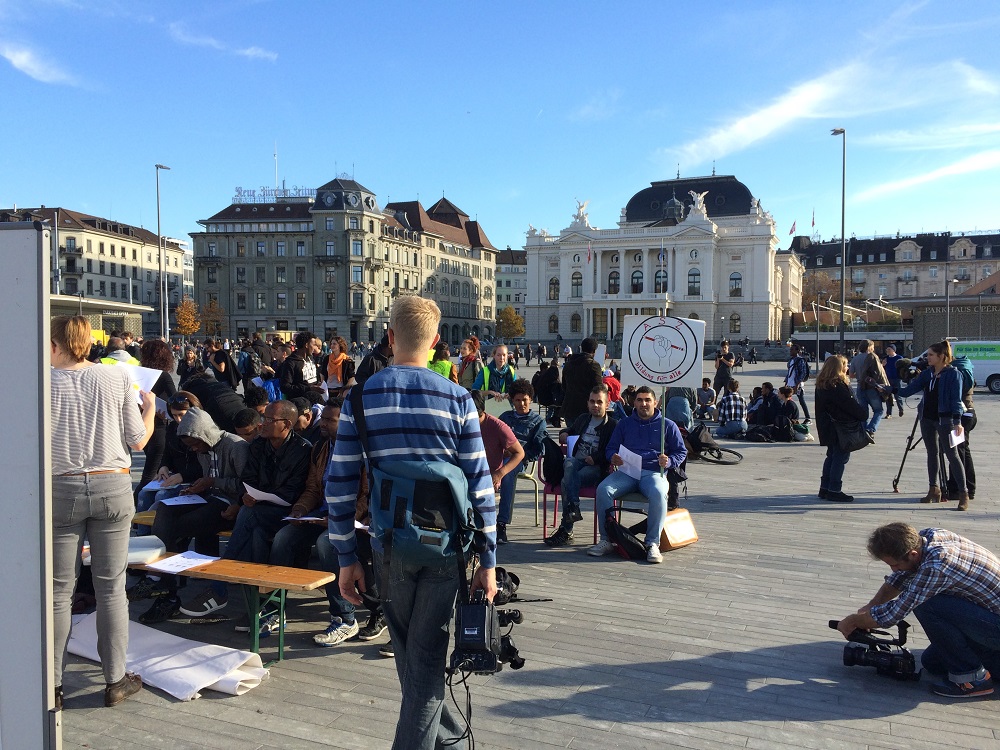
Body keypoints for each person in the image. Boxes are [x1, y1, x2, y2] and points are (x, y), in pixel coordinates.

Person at [327, 296, 497, 749]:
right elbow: (481, 486)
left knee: (414, 661)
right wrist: (489, 559)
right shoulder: (457, 399)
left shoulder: (360, 397)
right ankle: (453, 741)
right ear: (438, 342)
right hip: (446, 546)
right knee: (420, 663)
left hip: (389, 543)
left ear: (389, 337)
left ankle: (452, 741)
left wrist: (346, 556)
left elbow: (340, 485)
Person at [51, 315, 156, 709]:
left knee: (60, 591)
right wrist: (148, 408)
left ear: (57, 344)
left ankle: (53, 685)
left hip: (61, 486)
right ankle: (114, 680)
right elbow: (138, 440)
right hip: (112, 482)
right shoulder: (116, 378)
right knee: (111, 588)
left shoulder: (43, 381)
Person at [180, 400, 312, 621]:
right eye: (264, 418)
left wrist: (259, 498)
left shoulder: (302, 450)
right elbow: (248, 478)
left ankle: (220, 588)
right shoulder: (259, 445)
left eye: (269, 420)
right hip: (259, 509)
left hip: (290, 512)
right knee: (258, 534)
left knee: (250, 517)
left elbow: (294, 490)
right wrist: (248, 496)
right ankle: (259, 608)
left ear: (287, 425)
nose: (263, 424)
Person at [836, 523, 1000, 699]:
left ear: (913, 554)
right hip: (989, 616)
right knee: (932, 663)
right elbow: (900, 577)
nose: (893, 569)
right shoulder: (927, 537)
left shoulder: (937, 565)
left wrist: (853, 621)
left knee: (928, 604)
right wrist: (871, 606)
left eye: (894, 564)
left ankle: (973, 680)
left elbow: (895, 613)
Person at [131, 407, 250, 623]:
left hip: (230, 505)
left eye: (195, 444)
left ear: (205, 435)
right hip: (210, 497)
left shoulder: (235, 446)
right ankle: (165, 582)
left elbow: (246, 485)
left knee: (176, 526)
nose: (194, 450)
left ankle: (165, 586)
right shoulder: (203, 452)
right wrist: (196, 488)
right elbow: (207, 479)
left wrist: (213, 482)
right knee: (164, 509)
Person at [587, 386, 687, 564]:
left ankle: (652, 544)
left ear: (655, 402)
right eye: (640, 400)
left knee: (658, 492)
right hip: (627, 472)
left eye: (648, 400)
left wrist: (669, 461)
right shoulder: (624, 424)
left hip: (654, 473)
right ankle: (606, 539)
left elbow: (681, 451)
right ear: (634, 402)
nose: (643, 404)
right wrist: (613, 457)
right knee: (603, 489)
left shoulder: (668, 425)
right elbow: (611, 448)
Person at [897, 340, 968, 508]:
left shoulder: (953, 374)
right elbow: (909, 390)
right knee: (932, 453)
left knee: (953, 456)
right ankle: (933, 489)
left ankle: (963, 493)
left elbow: (956, 400)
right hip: (927, 418)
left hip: (946, 420)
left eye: (930, 355)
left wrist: (958, 422)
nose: (927, 358)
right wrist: (889, 389)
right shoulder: (927, 373)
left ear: (942, 356)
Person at [545, 385, 617, 547]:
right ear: (588, 403)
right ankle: (573, 509)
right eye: (592, 401)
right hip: (576, 463)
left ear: (607, 404)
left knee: (566, 481)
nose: (595, 405)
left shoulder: (612, 425)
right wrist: (564, 433)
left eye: (599, 402)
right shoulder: (583, 419)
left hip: (596, 468)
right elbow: (570, 429)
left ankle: (566, 529)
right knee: (569, 463)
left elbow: (613, 449)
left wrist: (597, 458)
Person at [814, 354, 869, 503]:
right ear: (838, 368)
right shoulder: (837, 386)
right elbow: (849, 405)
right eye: (845, 365)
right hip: (841, 427)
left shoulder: (822, 384)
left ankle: (825, 488)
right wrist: (863, 414)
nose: (847, 368)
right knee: (840, 457)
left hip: (828, 426)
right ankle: (834, 490)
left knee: (831, 456)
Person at [498, 381, 546, 541]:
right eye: (517, 400)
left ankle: (501, 523)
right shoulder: (505, 417)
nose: (521, 404)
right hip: (497, 457)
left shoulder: (538, 421)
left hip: (518, 461)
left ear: (530, 399)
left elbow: (540, 449)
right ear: (512, 401)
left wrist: (519, 454)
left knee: (507, 473)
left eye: (524, 400)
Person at [561, 337, 605, 426]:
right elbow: (598, 389)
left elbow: (564, 387)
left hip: (569, 407)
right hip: (586, 409)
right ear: (594, 351)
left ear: (581, 348)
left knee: (573, 437)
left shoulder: (568, 364)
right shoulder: (593, 365)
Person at [850, 340, 889, 437]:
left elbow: (851, 374)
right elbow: (880, 374)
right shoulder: (873, 357)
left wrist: (860, 376)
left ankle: (863, 433)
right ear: (869, 347)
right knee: (878, 410)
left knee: (863, 411)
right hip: (872, 387)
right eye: (873, 347)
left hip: (860, 386)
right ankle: (870, 428)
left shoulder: (855, 359)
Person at [278, 331, 322, 400]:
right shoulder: (290, 363)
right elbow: (285, 387)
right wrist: (308, 388)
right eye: (313, 345)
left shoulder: (311, 358)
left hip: (314, 400)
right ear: (306, 345)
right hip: (298, 403)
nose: (315, 348)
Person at [784, 344, 812, 424]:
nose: (791, 351)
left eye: (792, 350)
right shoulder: (791, 360)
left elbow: (802, 373)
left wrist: (797, 385)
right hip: (790, 383)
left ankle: (808, 418)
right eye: (790, 350)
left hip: (797, 384)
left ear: (797, 351)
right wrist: (786, 382)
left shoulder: (800, 360)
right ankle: (788, 416)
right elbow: (789, 372)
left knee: (801, 400)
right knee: (786, 400)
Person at [533, 358, 562, 427]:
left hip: (541, 399)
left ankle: (550, 418)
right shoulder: (554, 381)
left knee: (555, 403)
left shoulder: (542, 377)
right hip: (548, 400)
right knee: (560, 404)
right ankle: (553, 418)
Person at [882, 344, 905, 419]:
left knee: (897, 395)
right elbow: (881, 368)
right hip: (888, 379)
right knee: (888, 396)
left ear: (893, 350)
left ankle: (901, 409)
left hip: (897, 379)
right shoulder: (886, 358)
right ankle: (889, 413)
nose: (887, 351)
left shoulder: (899, 358)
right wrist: (883, 365)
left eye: (889, 349)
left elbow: (903, 368)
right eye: (887, 350)